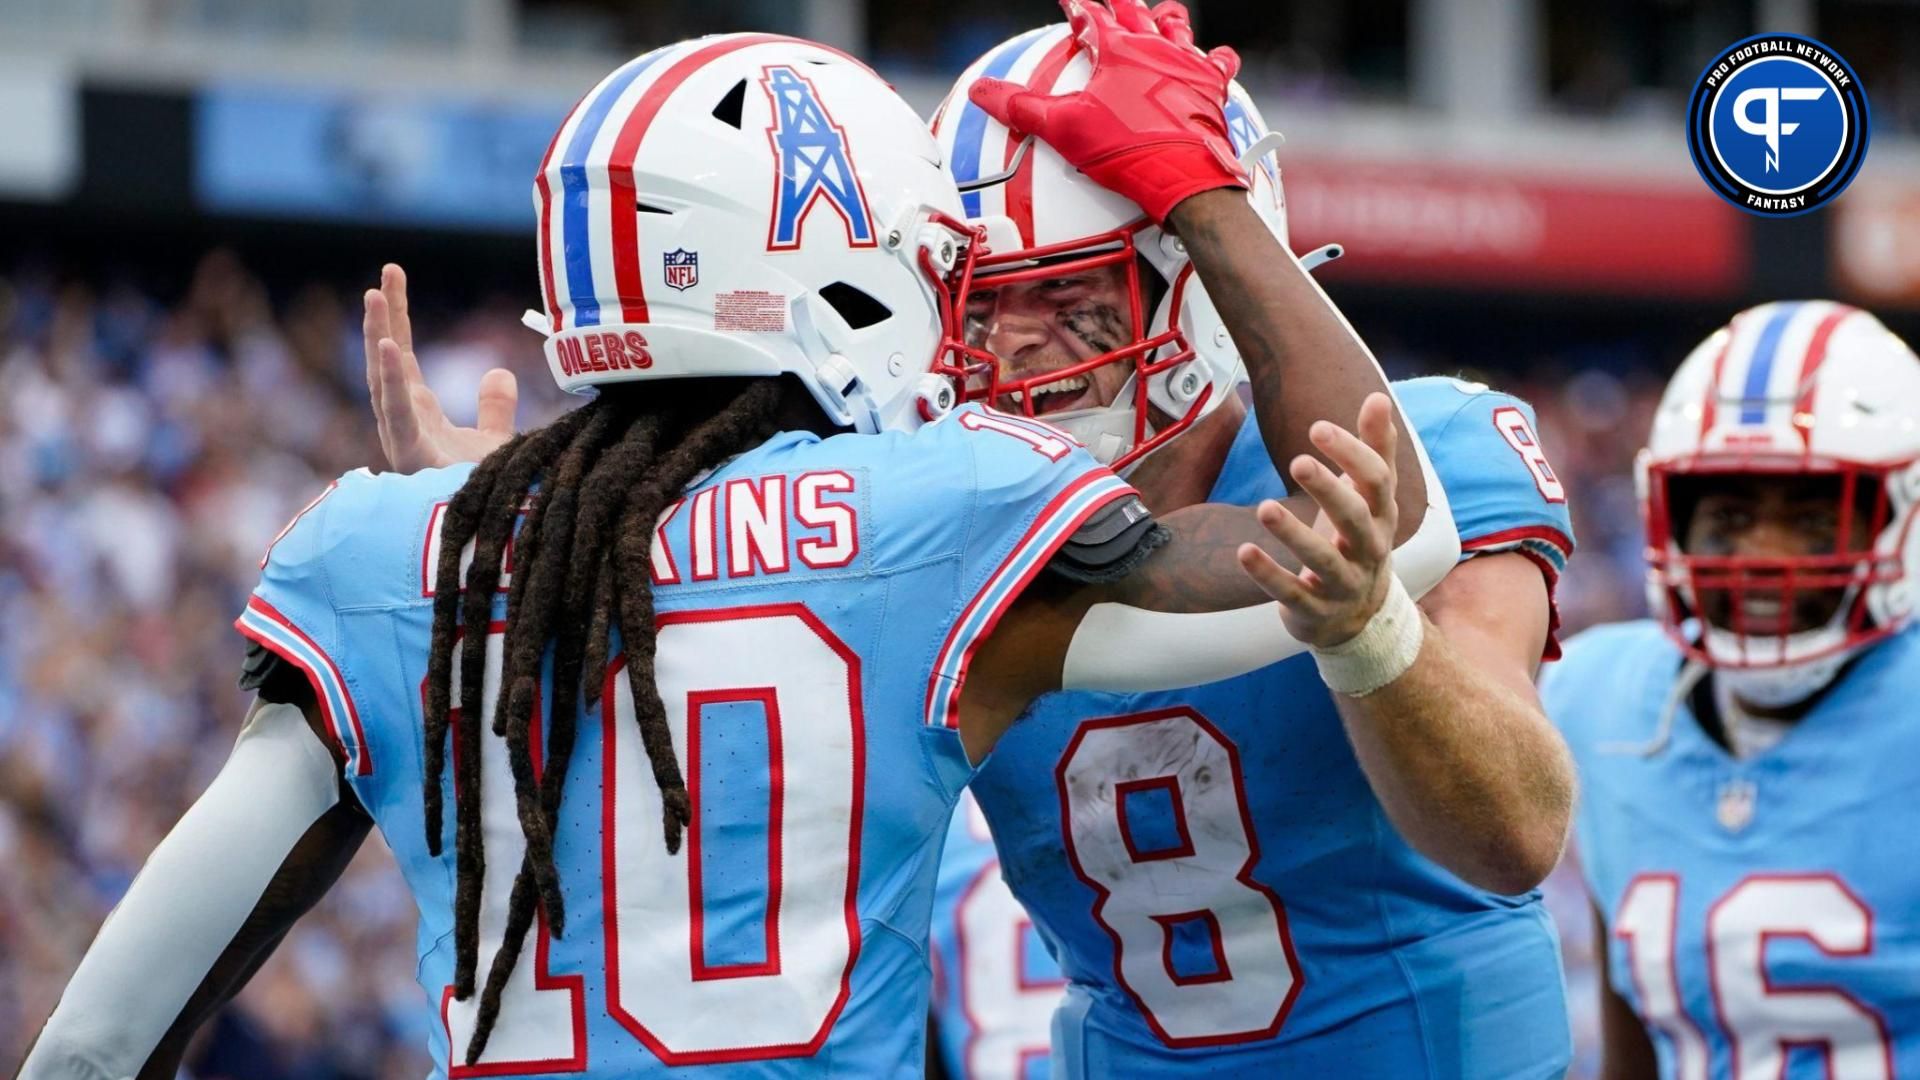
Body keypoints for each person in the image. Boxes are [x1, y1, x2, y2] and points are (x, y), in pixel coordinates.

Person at [22, 13, 1458, 1078]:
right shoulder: (947, 514)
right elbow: (1379, 538)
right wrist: (1208, 201)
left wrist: (485, 510)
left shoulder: (392, 555)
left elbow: (94, 1045)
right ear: (833, 261)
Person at [911, 14, 1582, 1075]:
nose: (1013, 344)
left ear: (1203, 278)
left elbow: (1515, 836)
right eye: (980, 303)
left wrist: (1371, 638)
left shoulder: (1427, 448)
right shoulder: (952, 524)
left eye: (1069, 294)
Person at [1544, 300, 1920, 1080]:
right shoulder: (1601, 697)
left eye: (1817, 522)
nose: (1764, 557)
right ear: (1668, 517)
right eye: (1731, 515)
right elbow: (1634, 1031)